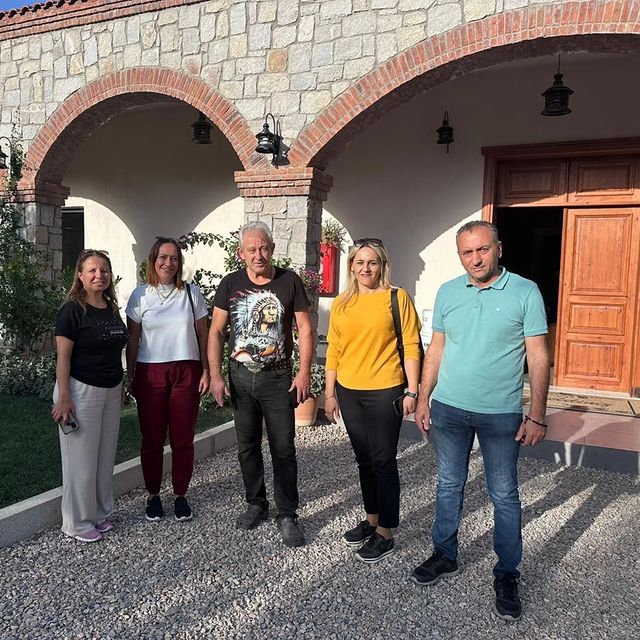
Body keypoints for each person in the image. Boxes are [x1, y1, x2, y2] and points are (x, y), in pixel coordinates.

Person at [411, 221, 550, 621]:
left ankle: (507, 573)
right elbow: (436, 349)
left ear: (499, 249)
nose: (475, 259)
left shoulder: (525, 291)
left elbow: (538, 355)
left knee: (503, 494)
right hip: (449, 409)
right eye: (467, 252)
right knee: (448, 484)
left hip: (500, 413)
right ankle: (445, 554)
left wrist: (537, 414)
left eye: (482, 250)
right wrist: (423, 398)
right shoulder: (448, 291)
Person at [208, 221, 313, 548]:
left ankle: (287, 513)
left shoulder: (289, 281)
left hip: (277, 378)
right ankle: (256, 503)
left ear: (272, 249)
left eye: (264, 248)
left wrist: (303, 373)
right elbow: (216, 331)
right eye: (252, 249)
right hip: (240, 377)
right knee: (247, 445)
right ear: (241, 253)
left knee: (283, 448)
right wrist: (216, 376)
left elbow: (305, 330)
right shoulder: (230, 283)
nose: (259, 255)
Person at [325, 238, 421, 563]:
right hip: (348, 391)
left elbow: (411, 345)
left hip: (385, 390)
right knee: (364, 459)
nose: (366, 268)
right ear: (351, 266)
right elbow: (334, 349)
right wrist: (329, 393)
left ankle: (385, 532)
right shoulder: (341, 303)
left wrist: (412, 390)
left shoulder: (396, 297)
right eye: (360, 262)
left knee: (383, 460)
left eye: (373, 262)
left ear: (382, 266)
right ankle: (371, 519)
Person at [125, 237, 209, 522]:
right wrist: (130, 374)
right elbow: (133, 340)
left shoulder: (191, 293)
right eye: (163, 257)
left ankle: (181, 494)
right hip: (150, 371)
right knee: (152, 438)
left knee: (183, 438)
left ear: (179, 263)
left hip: (187, 370)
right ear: (153, 260)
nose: (168, 263)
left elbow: (203, 335)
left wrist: (207, 370)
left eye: (174, 258)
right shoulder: (140, 296)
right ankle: (153, 495)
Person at [52, 249, 128, 543]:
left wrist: (120, 386)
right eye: (93, 270)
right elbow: (63, 357)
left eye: (104, 270)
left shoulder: (111, 308)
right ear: (80, 276)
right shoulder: (72, 310)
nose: (99, 275)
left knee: (104, 458)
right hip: (80, 390)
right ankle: (77, 522)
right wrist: (64, 397)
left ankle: (99, 513)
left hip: (110, 390)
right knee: (80, 461)